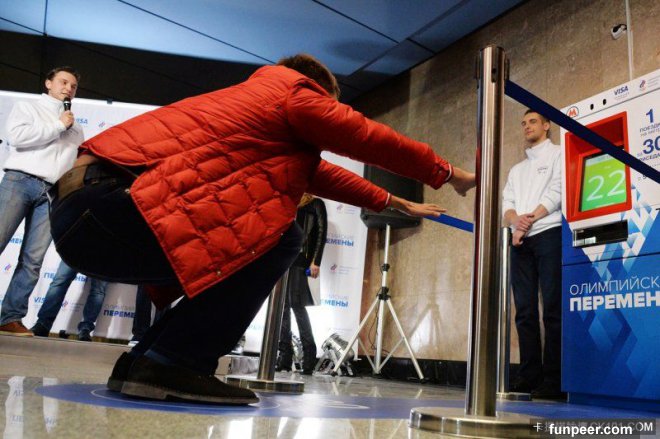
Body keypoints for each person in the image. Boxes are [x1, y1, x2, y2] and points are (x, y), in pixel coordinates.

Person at [47, 54, 475, 405]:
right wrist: (447, 172)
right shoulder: (292, 91)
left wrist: (394, 201)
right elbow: (364, 135)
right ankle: (172, 361)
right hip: (110, 204)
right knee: (280, 235)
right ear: (319, 91)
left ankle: (146, 362)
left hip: (84, 209)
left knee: (264, 231)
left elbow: (320, 174)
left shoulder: (256, 106)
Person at [0, 66, 83, 336]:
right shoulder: (28, 108)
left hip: (52, 193)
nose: (68, 88)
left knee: (33, 261)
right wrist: (58, 125)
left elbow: (72, 164)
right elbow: (17, 138)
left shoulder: (76, 126)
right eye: (63, 82)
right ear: (48, 83)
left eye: (73, 86)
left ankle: (10, 318)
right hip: (20, 181)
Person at [502, 109, 563, 399]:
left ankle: (554, 380)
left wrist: (527, 221)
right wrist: (516, 221)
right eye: (524, 123)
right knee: (525, 311)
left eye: (533, 121)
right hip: (520, 241)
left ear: (547, 125)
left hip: (549, 234)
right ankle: (529, 376)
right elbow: (507, 204)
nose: (527, 126)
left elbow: (557, 192)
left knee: (552, 308)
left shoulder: (559, 154)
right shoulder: (517, 170)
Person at [276, 194, 327, 374]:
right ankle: (284, 357)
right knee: (282, 307)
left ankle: (309, 356)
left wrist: (316, 261)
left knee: (296, 305)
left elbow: (321, 233)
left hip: (301, 259)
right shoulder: (289, 200)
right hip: (283, 258)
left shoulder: (316, 203)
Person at [31, 260, 109, 341]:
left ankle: (86, 329)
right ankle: (43, 324)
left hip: (104, 254)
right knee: (60, 281)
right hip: (74, 253)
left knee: (98, 290)